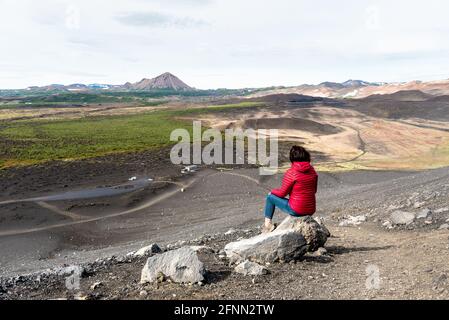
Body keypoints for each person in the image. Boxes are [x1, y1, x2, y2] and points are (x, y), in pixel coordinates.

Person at [262, 146, 318, 234]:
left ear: (292, 158)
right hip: (311, 210)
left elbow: (282, 193)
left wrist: (272, 191)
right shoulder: (312, 171)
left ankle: (268, 225)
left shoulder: (291, 172)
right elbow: (314, 191)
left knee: (270, 197)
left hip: (296, 209)